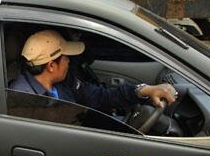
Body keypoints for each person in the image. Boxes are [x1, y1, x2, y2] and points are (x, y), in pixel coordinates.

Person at [11, 29, 177, 113]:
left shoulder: (62, 83)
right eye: (65, 57)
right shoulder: (23, 99)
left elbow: (101, 96)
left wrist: (143, 90)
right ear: (51, 66)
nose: (69, 60)